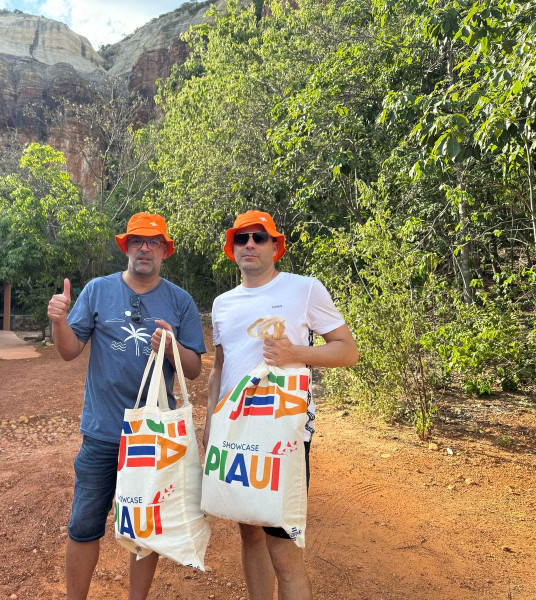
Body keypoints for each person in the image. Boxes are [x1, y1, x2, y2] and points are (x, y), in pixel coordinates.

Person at [47, 212, 207, 600]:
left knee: (143, 530)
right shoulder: (98, 290)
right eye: (137, 241)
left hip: (152, 437)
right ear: (126, 247)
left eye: (153, 242)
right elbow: (70, 352)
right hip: (101, 432)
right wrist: (59, 320)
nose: (145, 248)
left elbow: (194, 370)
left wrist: (173, 347)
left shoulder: (179, 301)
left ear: (165, 251)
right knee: (83, 527)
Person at [204, 210, 359, 600]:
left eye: (259, 237)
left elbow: (347, 351)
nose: (250, 244)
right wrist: (210, 421)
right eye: (242, 239)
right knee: (250, 533)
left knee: (283, 549)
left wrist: (295, 353)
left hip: (283, 430)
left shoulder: (303, 288)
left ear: (276, 245)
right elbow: (220, 366)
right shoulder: (223, 303)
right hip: (234, 427)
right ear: (232, 248)